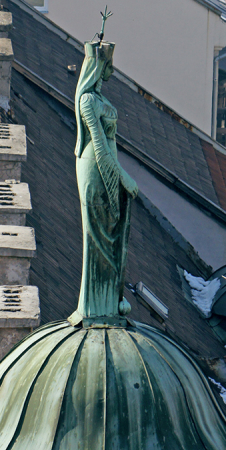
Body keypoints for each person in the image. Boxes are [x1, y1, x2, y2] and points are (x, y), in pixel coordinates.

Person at [74, 39, 139, 318]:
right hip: (96, 167)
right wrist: (123, 177)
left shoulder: (99, 98)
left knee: (110, 232)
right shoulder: (87, 100)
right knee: (99, 235)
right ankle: (95, 303)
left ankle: (110, 297)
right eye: (106, 65)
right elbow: (99, 143)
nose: (110, 71)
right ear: (96, 68)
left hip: (105, 166)